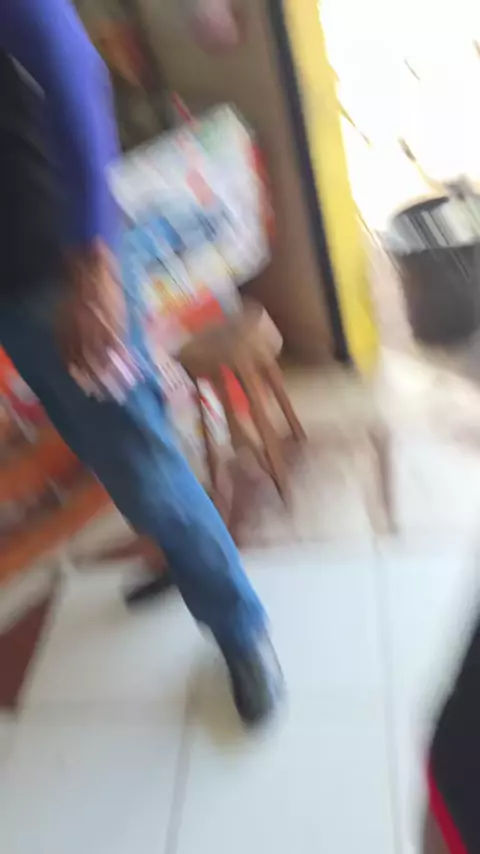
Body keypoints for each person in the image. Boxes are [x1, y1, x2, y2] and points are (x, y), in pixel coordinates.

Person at [0, 0, 283, 726]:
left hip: (59, 275)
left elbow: (70, 67)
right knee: (110, 445)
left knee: (137, 457)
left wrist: (93, 262)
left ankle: (239, 627)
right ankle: (178, 557)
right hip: (15, 292)